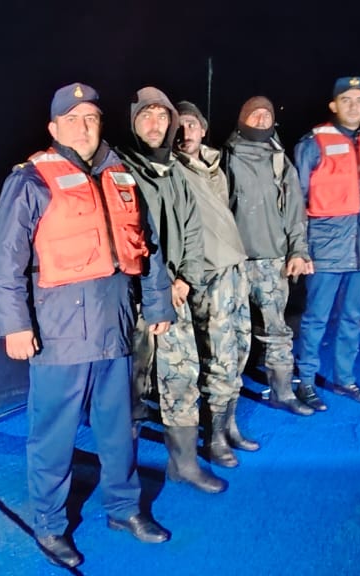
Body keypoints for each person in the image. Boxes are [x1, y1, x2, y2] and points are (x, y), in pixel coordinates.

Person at [0, 82, 174, 569]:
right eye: (72, 120)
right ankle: (50, 525)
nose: (84, 127)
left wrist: (157, 306)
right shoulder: (30, 180)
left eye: (91, 118)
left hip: (115, 327)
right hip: (59, 334)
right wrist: (15, 325)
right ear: (54, 128)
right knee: (53, 435)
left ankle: (124, 509)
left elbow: (148, 247)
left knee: (119, 429)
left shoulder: (121, 176)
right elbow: (6, 261)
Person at [117, 87, 227, 491]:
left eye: (162, 116)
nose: (155, 124)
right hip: (135, 298)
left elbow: (194, 232)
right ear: (133, 121)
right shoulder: (119, 168)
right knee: (130, 385)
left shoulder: (177, 171)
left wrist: (185, 279)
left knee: (183, 376)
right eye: (146, 115)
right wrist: (158, 283)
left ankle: (184, 464)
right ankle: (122, 473)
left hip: (174, 296)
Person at [291, 76, 360, 408]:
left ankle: (345, 380)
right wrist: (299, 248)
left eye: (359, 100)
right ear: (333, 105)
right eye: (346, 100)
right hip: (325, 247)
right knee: (315, 318)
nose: (353, 106)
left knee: (352, 318)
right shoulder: (312, 143)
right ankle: (305, 381)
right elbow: (296, 200)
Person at [172, 100, 265, 468]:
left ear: (203, 129)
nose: (186, 131)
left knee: (240, 349)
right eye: (179, 125)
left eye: (192, 124)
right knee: (218, 356)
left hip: (234, 268)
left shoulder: (215, 166)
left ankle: (230, 425)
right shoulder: (173, 169)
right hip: (208, 274)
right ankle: (214, 437)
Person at [222, 96, 315, 416]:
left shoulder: (280, 160)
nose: (261, 121)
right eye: (255, 115)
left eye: (267, 115)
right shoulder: (225, 157)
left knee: (276, 331)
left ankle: (282, 392)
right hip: (233, 263)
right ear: (242, 119)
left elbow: (294, 211)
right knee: (232, 335)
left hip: (272, 261)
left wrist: (298, 250)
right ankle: (225, 404)